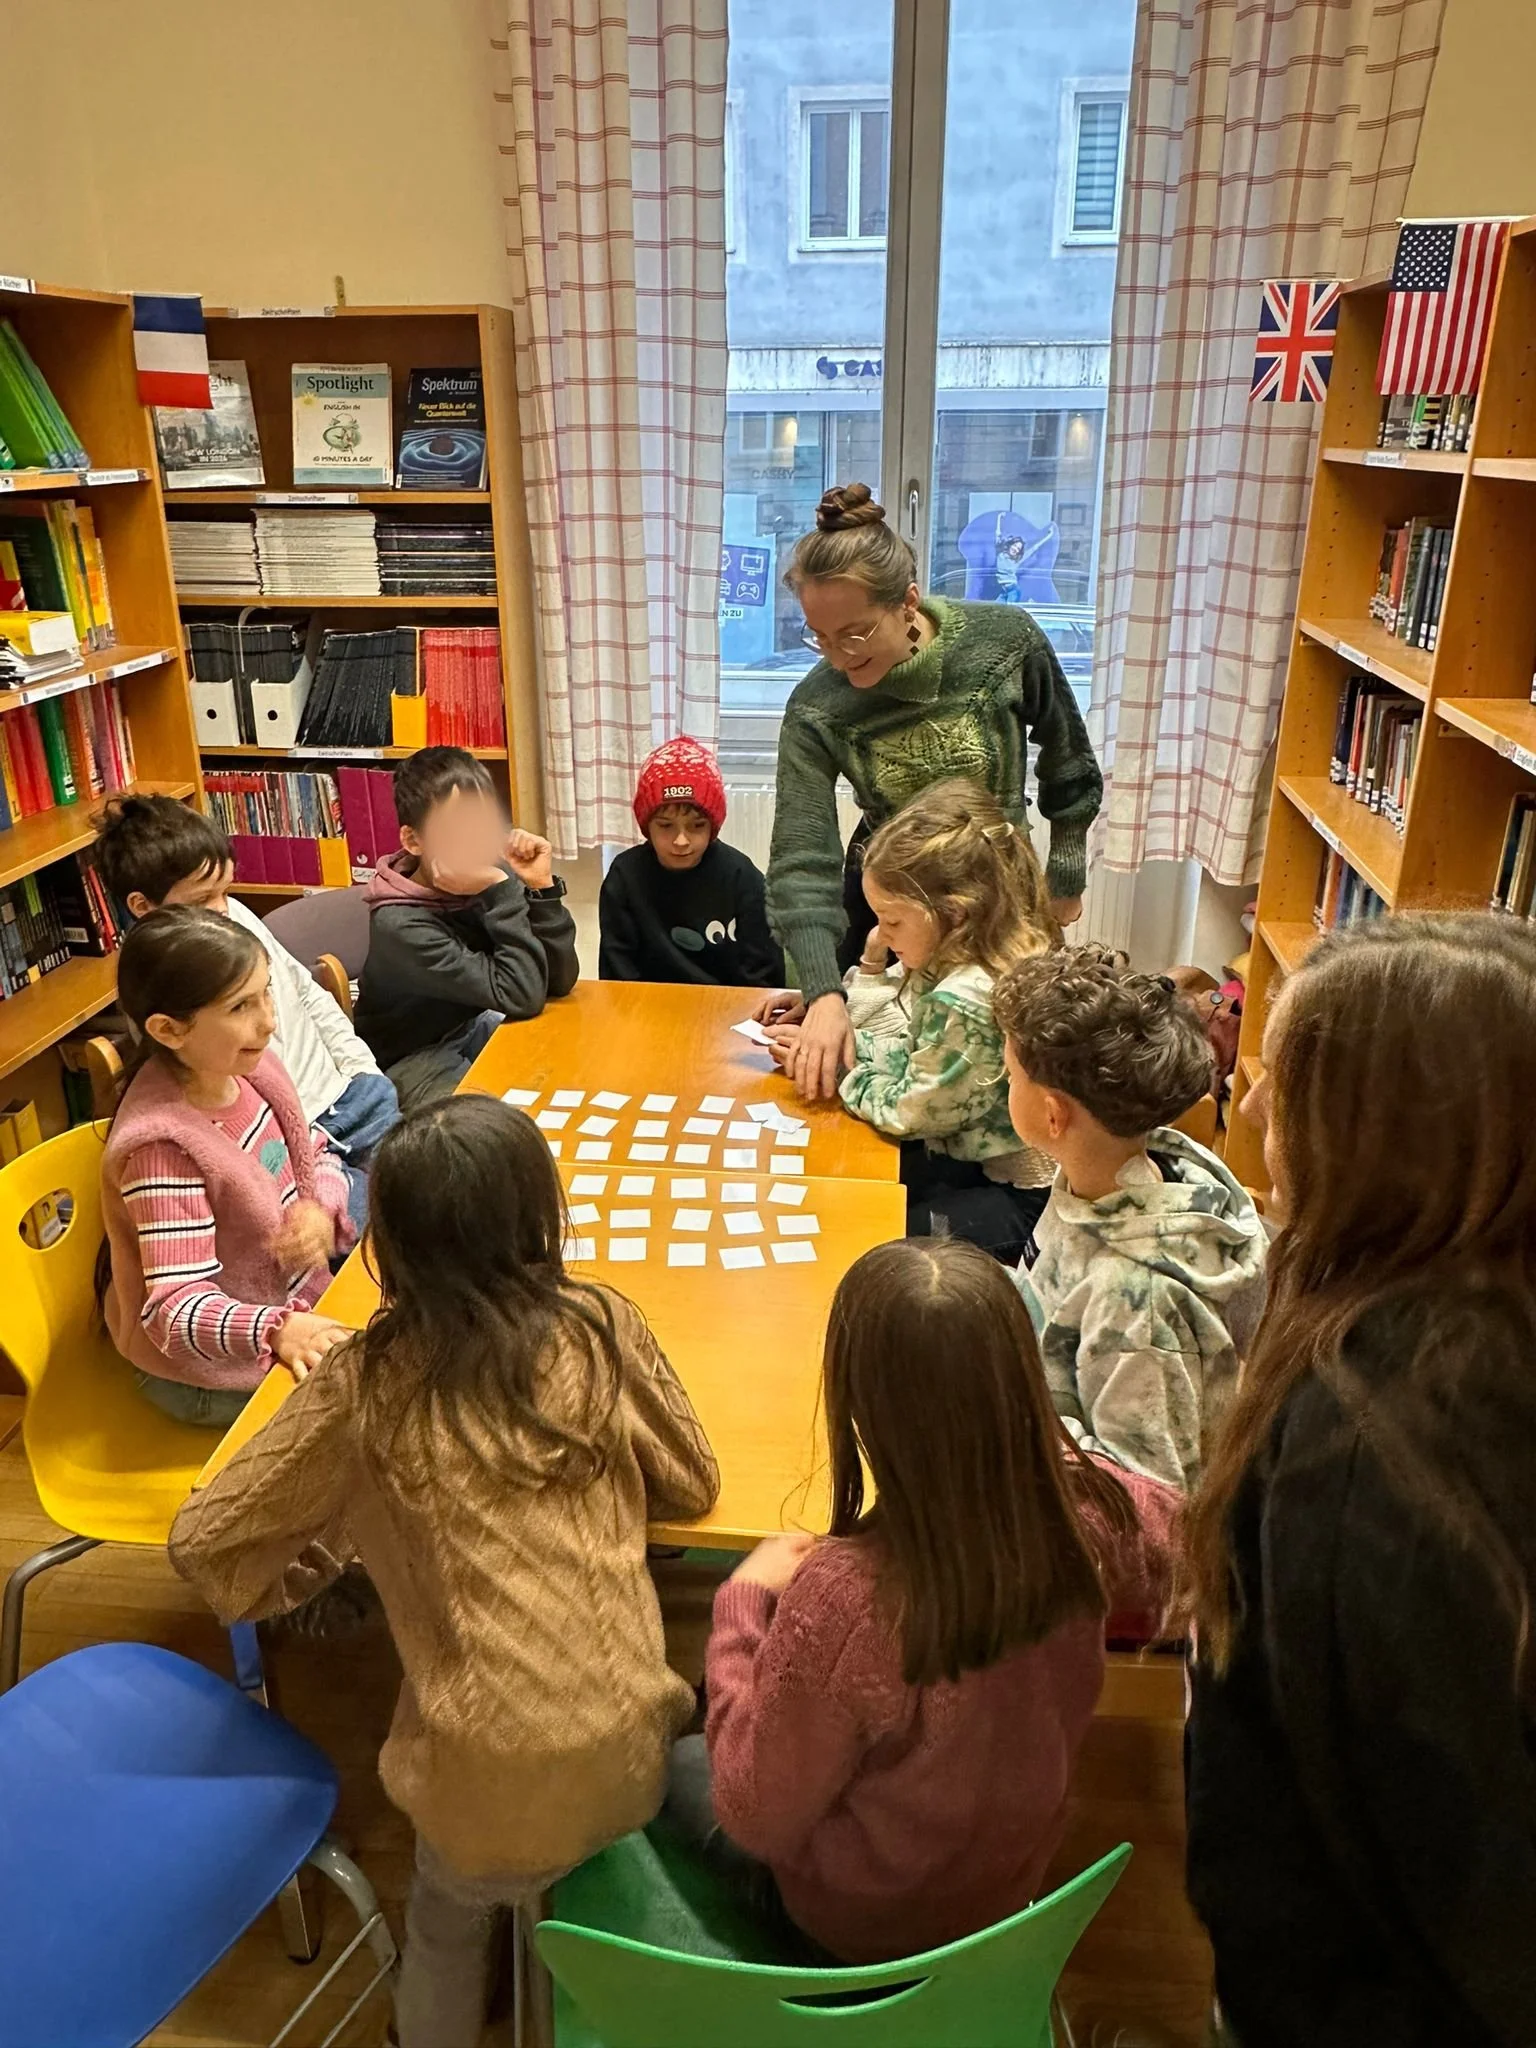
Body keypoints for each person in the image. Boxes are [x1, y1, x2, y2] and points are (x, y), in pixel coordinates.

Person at [168, 1093, 720, 2048]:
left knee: (446, 1913)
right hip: (639, 1749)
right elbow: (691, 1480)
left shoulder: (362, 1381)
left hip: (480, 1784)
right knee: (535, 1828)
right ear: (537, 1215)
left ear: (396, 1246)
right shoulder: (598, 1323)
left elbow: (207, 1544)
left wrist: (333, 1564)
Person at [1184, 914, 1536, 2046]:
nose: (1246, 1113)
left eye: (1283, 1092)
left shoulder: (1364, 1450)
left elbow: (1451, 1873)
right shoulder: (1480, 1314)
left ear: (1385, 1139)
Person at [663, 1236, 1176, 1967]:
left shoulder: (846, 1600)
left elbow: (755, 1814)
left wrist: (741, 1606)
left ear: (864, 1408)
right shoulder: (1091, 1513)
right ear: (1021, 1382)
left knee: (678, 1757)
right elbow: (1188, 1544)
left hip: (853, 1927)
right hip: (1003, 1893)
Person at [758, 482, 1102, 1100]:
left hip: (1004, 908)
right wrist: (824, 994)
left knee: (1009, 1087)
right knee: (901, 1077)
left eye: (856, 634)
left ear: (908, 601)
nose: (837, 657)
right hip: (897, 911)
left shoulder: (1004, 643)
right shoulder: (816, 706)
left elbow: (1067, 751)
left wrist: (1068, 867)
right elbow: (800, 864)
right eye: (820, 636)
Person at [996, 946, 1267, 1492]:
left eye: (1008, 1077)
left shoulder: (1136, 1300)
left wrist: (1008, 1410)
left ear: (1053, 1115)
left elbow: (1144, 1499)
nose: (1005, 1089)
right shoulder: (1098, 1181)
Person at [769, 778, 1057, 1262]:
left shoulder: (965, 996)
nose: (879, 932)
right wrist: (846, 1045)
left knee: (866, 1239)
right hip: (972, 1160)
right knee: (844, 1195)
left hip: (1024, 1203)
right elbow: (913, 1054)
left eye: (892, 921)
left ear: (955, 914)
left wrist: (841, 1071)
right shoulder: (957, 957)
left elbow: (910, 1110)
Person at [99, 907, 354, 1427]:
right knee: (378, 1398)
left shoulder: (252, 1069)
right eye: (241, 1006)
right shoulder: (162, 1149)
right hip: (207, 1369)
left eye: (266, 994)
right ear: (169, 1030)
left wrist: (319, 1209)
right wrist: (278, 1330)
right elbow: (175, 1306)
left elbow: (315, 1151)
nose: (269, 1020)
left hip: (295, 1303)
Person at [94, 793, 398, 1229]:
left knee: (441, 1186)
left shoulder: (232, 916)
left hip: (350, 1100)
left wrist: (362, 1069)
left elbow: (307, 992)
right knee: (408, 1228)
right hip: (298, 1142)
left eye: (226, 890)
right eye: (202, 900)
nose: (222, 909)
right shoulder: (159, 981)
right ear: (142, 907)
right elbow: (238, 1110)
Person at [355, 747, 579, 1109]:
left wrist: (540, 887)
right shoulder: (399, 923)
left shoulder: (484, 877)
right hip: (412, 1057)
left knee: (567, 1068)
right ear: (414, 840)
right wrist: (502, 892)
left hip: (471, 1024)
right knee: (493, 1127)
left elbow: (558, 980)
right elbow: (521, 995)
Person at [599, 737, 784, 987]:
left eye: (697, 826)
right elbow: (617, 978)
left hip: (728, 1012)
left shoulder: (743, 877)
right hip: (645, 1011)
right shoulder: (624, 876)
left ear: (713, 827)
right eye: (666, 826)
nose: (681, 841)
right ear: (646, 827)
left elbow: (765, 981)